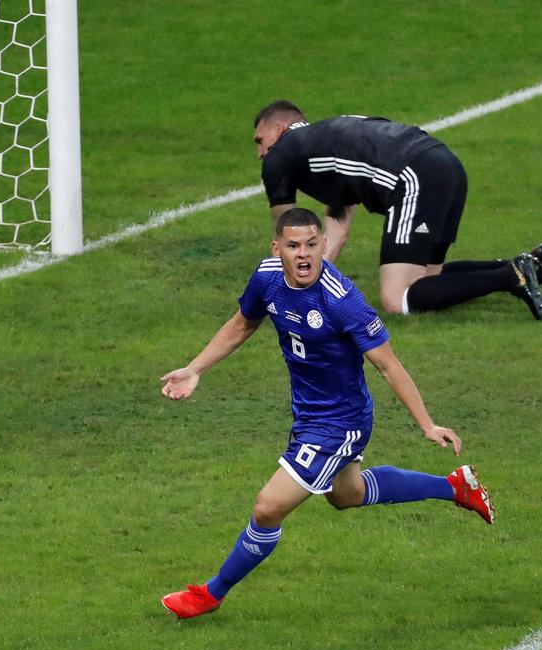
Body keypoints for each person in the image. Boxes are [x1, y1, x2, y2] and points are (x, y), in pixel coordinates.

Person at [159, 208, 495, 620]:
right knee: (346, 495)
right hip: (308, 413)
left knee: (267, 508)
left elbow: (388, 366)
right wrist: (195, 369)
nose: (304, 254)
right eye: (293, 246)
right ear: (277, 248)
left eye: (312, 245)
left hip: (340, 422)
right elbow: (242, 325)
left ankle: (210, 594)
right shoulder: (267, 278)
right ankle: (456, 487)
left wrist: (427, 424)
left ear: (323, 245)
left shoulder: (342, 301)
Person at [253, 100, 542, 321]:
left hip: (412, 175)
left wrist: (284, 294)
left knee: (396, 299)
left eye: (259, 140)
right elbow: (335, 233)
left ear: (279, 130)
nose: (260, 153)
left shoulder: (280, 155)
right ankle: (535, 264)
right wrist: (310, 287)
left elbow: (289, 233)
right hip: (445, 164)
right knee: (426, 280)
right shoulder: (327, 144)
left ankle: (512, 275)